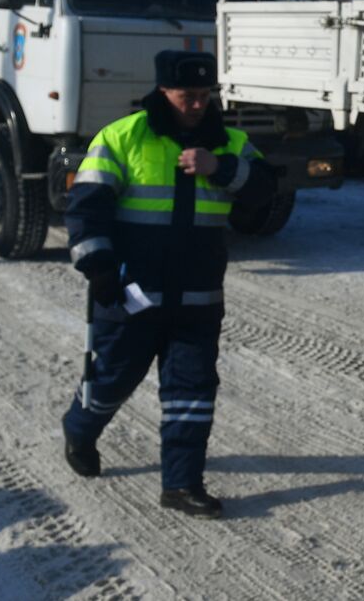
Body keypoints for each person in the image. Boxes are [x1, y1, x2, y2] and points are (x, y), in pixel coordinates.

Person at [60, 49, 275, 517]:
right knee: (112, 379)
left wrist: (221, 169)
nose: (197, 104)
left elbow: (265, 195)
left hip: (198, 297)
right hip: (131, 294)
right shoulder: (122, 137)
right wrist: (98, 268)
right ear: (163, 92)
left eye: (204, 95)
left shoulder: (231, 143)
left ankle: (181, 485)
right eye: (186, 96)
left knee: (193, 392)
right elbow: (86, 208)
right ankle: (80, 428)